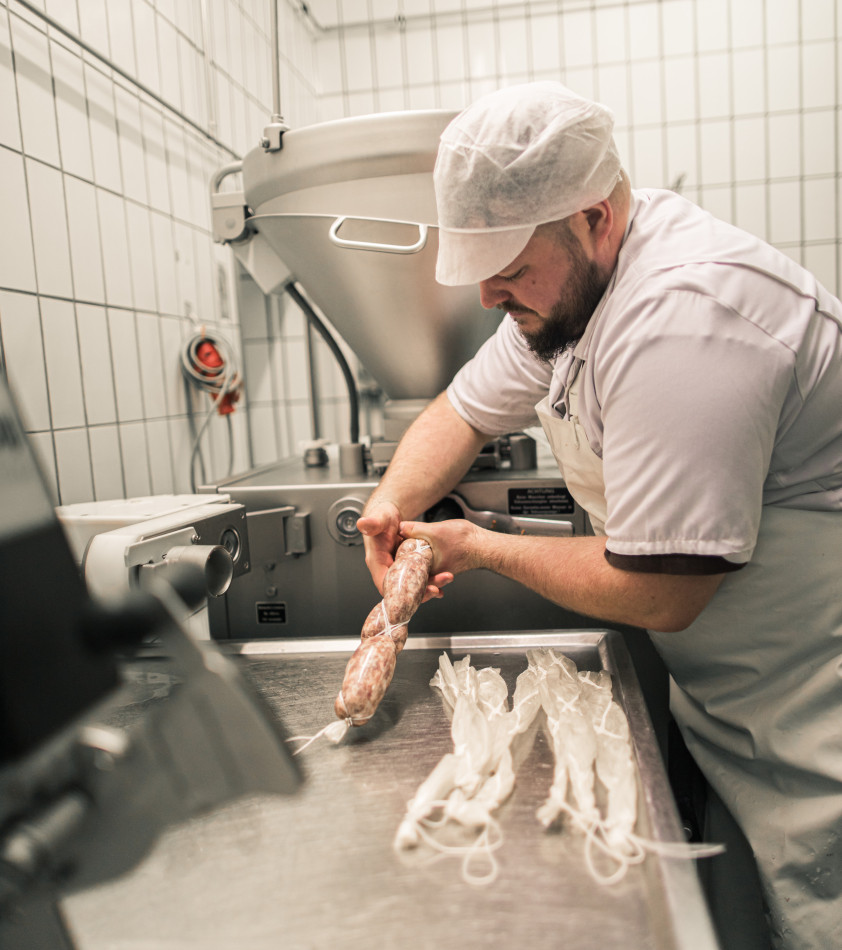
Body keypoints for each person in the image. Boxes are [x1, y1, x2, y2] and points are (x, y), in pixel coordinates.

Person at [356, 81, 842, 950]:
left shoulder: (689, 318)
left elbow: (663, 592)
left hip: (820, 703)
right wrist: (390, 505)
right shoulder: (567, 293)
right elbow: (464, 410)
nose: (489, 298)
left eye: (508, 269)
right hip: (739, 692)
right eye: (481, 272)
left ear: (595, 219)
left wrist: (480, 547)